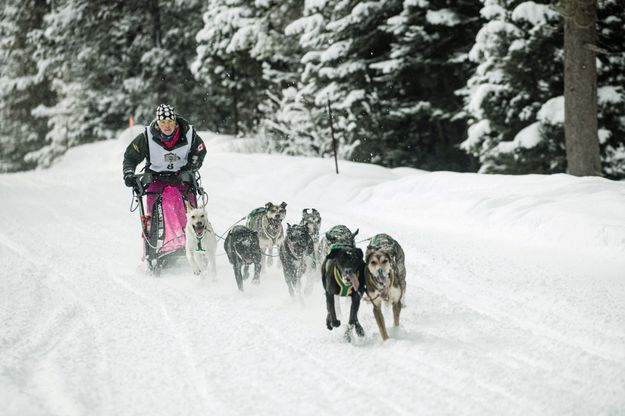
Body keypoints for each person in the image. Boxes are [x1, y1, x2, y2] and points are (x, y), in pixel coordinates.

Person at [123, 104, 207, 218]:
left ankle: (190, 232)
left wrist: (189, 167)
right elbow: (131, 156)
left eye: (170, 122)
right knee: (155, 216)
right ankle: (153, 229)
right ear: (158, 123)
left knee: (189, 214)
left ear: (175, 122)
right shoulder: (146, 137)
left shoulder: (189, 133)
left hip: (182, 177)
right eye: (163, 122)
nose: (167, 126)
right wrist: (128, 173)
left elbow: (199, 151)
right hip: (155, 178)